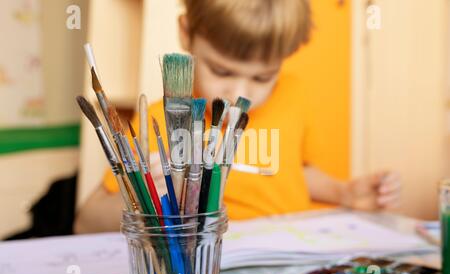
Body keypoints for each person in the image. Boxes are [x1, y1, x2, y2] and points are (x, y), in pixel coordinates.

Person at [75, 0, 401, 234]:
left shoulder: (293, 96)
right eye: (222, 70)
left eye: (263, 77)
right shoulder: (162, 119)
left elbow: (290, 171)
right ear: (186, 33)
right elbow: (86, 222)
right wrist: (151, 196)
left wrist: (344, 192)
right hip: (204, 271)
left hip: (287, 264)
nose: (240, 93)